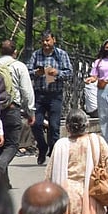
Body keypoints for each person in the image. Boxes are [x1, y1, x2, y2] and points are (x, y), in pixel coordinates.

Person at [0, 40, 35, 187]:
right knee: (13, 145)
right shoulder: (19, 66)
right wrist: (30, 111)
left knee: (0, 144)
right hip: (11, 108)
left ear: (0, 51)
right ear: (15, 52)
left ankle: (5, 181)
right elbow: (26, 91)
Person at [27, 31, 72, 165]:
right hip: (39, 94)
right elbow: (27, 72)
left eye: (48, 40)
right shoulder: (36, 55)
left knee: (54, 126)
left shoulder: (61, 55)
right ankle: (42, 147)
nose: (46, 43)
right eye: (43, 41)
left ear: (54, 40)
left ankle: (54, 152)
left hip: (55, 95)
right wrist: (37, 72)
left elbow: (69, 73)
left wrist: (57, 73)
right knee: (36, 123)